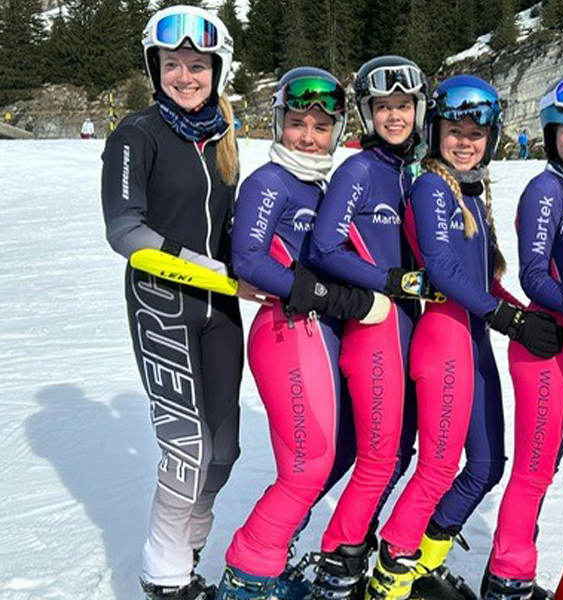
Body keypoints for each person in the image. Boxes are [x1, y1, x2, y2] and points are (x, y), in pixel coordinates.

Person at [363, 75, 563, 600]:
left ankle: (422, 564)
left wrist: (526, 314)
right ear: (436, 133)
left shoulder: (472, 191)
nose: (465, 142)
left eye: (476, 134)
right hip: (444, 340)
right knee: (437, 468)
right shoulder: (432, 187)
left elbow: (484, 279)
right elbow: (443, 269)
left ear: (491, 138)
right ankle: (388, 578)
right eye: (455, 131)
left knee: (487, 465)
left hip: (474, 340)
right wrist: (509, 320)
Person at [217, 67, 393, 600]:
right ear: (279, 123)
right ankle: (246, 580)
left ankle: (270, 560)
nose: (308, 137)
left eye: (321, 127)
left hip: (319, 335)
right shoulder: (269, 182)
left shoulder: (319, 186)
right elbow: (249, 258)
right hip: (287, 331)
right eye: (298, 123)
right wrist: (334, 298)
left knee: (330, 455)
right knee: (305, 467)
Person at [100, 5, 258, 599]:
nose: (185, 76)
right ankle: (163, 578)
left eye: (197, 65)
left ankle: (183, 551)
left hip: (221, 313)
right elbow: (126, 232)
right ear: (155, 67)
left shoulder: (222, 137)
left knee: (224, 452)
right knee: (188, 447)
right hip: (161, 303)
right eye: (172, 64)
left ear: (217, 71)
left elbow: (233, 228)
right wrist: (215, 274)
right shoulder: (136, 134)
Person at [304, 55, 430, 598]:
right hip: (374, 326)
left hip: (406, 327)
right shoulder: (358, 170)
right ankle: (338, 564)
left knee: (398, 453)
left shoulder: (409, 172)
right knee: (379, 457)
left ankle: (356, 543)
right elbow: (324, 248)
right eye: (383, 107)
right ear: (367, 112)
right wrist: (390, 281)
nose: (394, 116)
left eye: (403, 106)